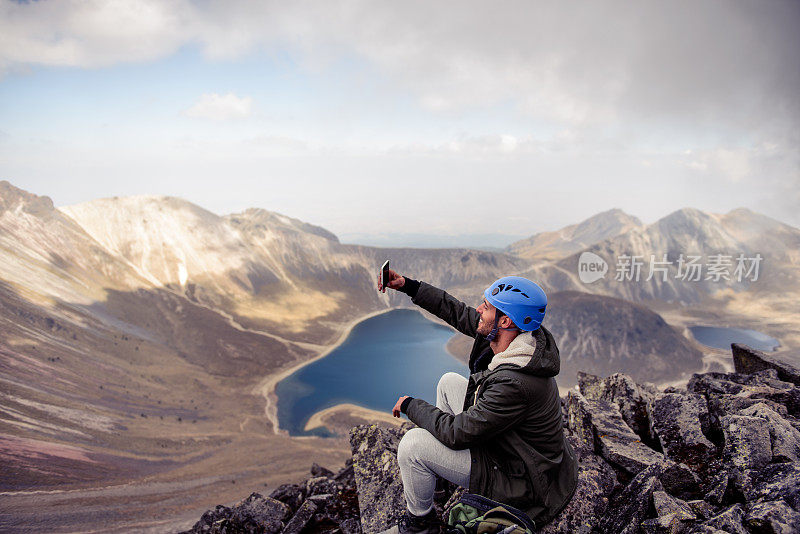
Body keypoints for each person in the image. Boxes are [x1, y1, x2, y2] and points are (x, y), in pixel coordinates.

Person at [377, 269, 577, 534]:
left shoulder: (514, 383)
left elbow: (457, 433)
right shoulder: (518, 338)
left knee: (412, 446)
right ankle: (438, 479)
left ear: (505, 321)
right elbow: (458, 312)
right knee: (449, 382)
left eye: (487, 306)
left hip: (519, 478)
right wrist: (408, 286)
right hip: (514, 446)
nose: (479, 309)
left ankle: (420, 525)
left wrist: (410, 405)